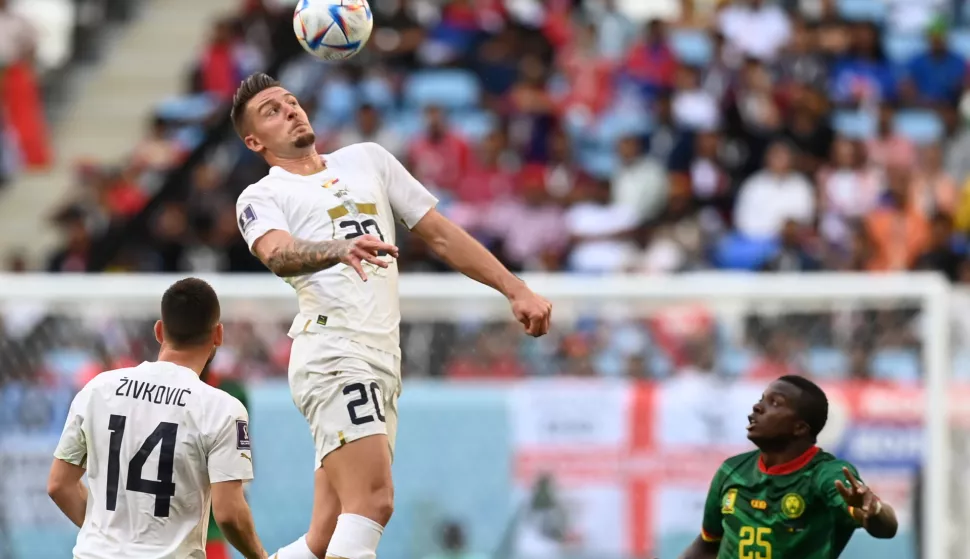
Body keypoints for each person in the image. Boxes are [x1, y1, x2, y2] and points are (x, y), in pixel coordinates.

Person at [229, 72, 552, 559]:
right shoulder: (260, 197)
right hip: (334, 352)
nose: (290, 110)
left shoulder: (368, 160)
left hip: (380, 357)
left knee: (326, 533)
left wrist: (515, 287)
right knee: (374, 503)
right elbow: (278, 254)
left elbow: (440, 234)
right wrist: (338, 248)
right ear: (255, 141)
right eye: (271, 111)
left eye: (291, 102)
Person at [47, 278, 267, 559]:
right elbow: (228, 514)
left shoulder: (98, 389)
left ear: (159, 331)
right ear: (218, 335)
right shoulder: (221, 407)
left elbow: (58, 485)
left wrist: (107, 536)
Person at [678, 375, 898, 559]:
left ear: (800, 428)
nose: (757, 406)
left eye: (775, 402)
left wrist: (874, 512)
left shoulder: (826, 474)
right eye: (762, 399)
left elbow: (886, 528)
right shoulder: (731, 471)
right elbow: (708, 545)